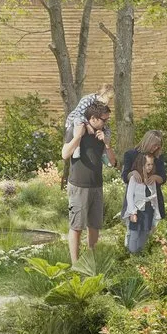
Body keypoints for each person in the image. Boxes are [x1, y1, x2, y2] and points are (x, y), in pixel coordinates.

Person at [63, 94, 112, 266]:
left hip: (96, 186)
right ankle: (75, 265)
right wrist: (77, 137)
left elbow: (111, 163)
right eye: (104, 120)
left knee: (94, 226)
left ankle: (91, 260)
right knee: (76, 226)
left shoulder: (102, 134)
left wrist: (106, 144)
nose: (106, 123)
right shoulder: (76, 129)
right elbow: (64, 154)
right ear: (93, 118)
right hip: (78, 185)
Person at [121, 147, 158, 257]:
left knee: (145, 233)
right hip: (137, 210)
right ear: (141, 164)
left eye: (151, 165)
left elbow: (154, 198)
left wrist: (157, 215)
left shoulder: (152, 180)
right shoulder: (134, 179)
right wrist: (132, 212)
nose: (150, 167)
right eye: (147, 165)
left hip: (148, 211)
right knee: (134, 233)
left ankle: (140, 255)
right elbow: (129, 196)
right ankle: (132, 255)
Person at [136, 129, 167, 228]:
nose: (155, 148)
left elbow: (163, 178)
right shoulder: (132, 154)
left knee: (154, 226)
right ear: (147, 141)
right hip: (137, 196)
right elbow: (125, 177)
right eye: (154, 145)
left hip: (154, 195)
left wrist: (156, 177)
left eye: (158, 146)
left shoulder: (158, 157)